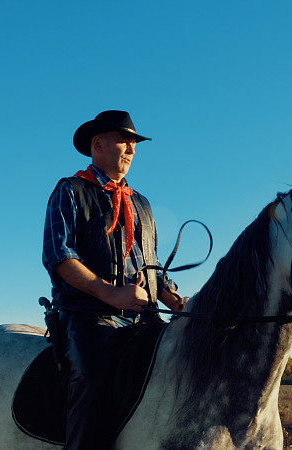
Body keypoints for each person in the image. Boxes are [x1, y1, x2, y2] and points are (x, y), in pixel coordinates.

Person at [42, 110, 186, 449]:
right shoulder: (71, 191)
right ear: (98, 144)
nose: (132, 149)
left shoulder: (142, 203)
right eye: (124, 141)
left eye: (134, 143)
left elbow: (152, 266)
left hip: (145, 317)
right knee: (93, 383)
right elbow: (58, 256)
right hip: (89, 316)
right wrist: (109, 293)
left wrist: (176, 302)